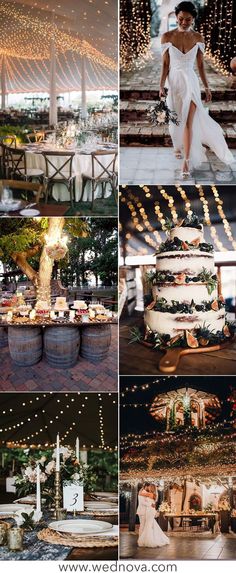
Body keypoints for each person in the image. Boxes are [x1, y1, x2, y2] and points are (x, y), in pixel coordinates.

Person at [159, 1, 234, 177]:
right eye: (181, 19)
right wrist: (161, 85)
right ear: (176, 17)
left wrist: (207, 87)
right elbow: (165, 64)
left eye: (188, 19)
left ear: (193, 19)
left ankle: (186, 162)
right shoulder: (167, 37)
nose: (184, 22)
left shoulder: (199, 38)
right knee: (175, 117)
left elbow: (200, 66)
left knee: (188, 121)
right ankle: (177, 145)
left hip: (190, 82)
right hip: (174, 81)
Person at [137, 484, 170, 548]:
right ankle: (148, 539)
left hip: (150, 510)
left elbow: (140, 494)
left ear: (151, 488)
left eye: (149, 487)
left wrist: (141, 491)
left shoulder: (150, 494)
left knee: (148, 525)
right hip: (150, 510)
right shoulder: (152, 494)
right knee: (150, 525)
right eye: (148, 486)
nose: (148, 488)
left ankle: (147, 540)